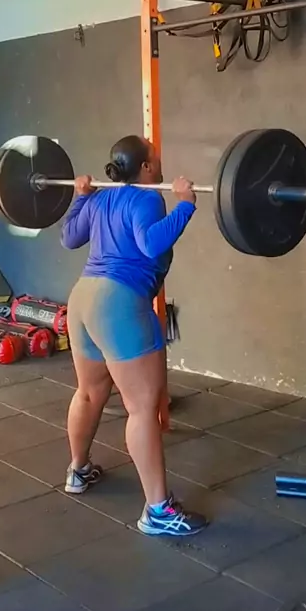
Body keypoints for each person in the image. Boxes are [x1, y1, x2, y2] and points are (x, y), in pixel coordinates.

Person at [61, 135, 208, 537]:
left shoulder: (101, 198)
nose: (159, 164)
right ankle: (158, 510)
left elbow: (69, 237)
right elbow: (150, 244)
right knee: (142, 407)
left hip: (83, 298)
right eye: (155, 159)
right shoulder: (147, 198)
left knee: (88, 392)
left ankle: (78, 470)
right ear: (145, 167)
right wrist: (185, 205)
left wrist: (80, 197)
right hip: (118, 303)